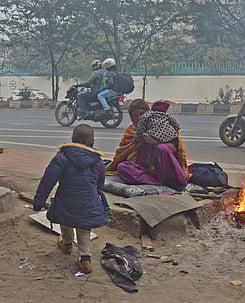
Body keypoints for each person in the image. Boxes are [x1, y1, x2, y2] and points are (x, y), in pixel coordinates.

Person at [32, 124, 109, 274]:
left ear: (72, 139)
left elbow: (48, 180)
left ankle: (67, 244)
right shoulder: (98, 161)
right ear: (92, 142)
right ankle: (85, 259)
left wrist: (38, 202)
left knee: (65, 220)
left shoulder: (62, 157)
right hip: (88, 201)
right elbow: (100, 184)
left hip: (65, 200)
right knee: (84, 228)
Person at [107, 99, 188, 191]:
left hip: (163, 168)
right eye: (135, 116)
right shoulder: (130, 131)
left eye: (141, 114)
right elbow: (121, 154)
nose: (138, 118)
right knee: (123, 167)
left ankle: (170, 181)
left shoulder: (163, 127)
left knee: (162, 148)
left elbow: (175, 149)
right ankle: (156, 183)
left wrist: (155, 142)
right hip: (143, 169)